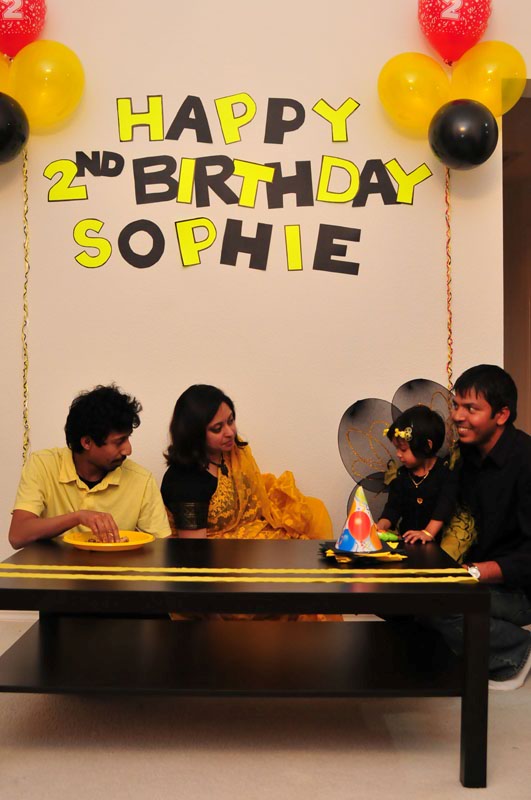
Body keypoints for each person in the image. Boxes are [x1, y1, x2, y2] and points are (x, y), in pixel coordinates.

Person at [431, 364, 531, 691]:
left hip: (520, 588)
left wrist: (474, 572)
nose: (457, 416)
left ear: (501, 415)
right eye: (456, 405)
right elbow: (448, 503)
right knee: (407, 599)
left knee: (440, 603)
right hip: (482, 572)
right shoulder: (467, 454)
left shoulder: (525, 460)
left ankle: (518, 652)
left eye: (471, 409)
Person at [161, 384, 332, 540]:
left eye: (230, 421)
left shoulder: (232, 451)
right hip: (218, 554)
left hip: (250, 533)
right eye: (217, 428)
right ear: (194, 434)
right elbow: (194, 550)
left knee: (315, 511)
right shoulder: (184, 482)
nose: (230, 432)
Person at [9, 384, 171, 549]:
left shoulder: (141, 480)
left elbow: (162, 549)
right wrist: (77, 517)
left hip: (117, 566)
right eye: (119, 442)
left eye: (128, 438)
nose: (128, 450)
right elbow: (17, 536)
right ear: (87, 442)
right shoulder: (43, 465)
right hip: (54, 566)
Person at [377, 404, 457, 545]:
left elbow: (444, 508)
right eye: (397, 448)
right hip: (408, 542)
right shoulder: (401, 475)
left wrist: (428, 533)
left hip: (437, 543)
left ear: (427, 446)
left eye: (403, 449)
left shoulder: (444, 473)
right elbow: (393, 507)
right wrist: (382, 525)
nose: (398, 454)